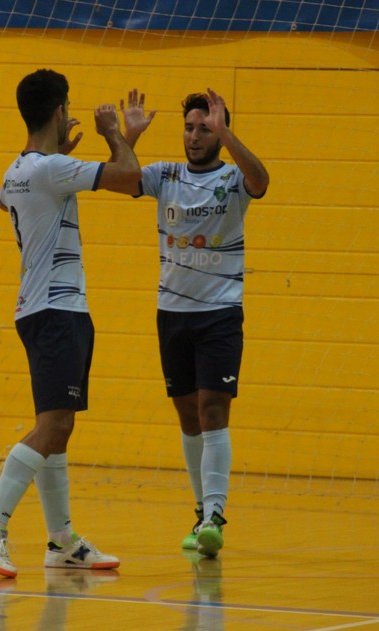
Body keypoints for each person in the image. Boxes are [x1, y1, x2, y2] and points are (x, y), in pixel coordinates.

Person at [0, 69, 142, 578]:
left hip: (43, 309)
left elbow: (3, 199)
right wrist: (117, 134)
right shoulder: (51, 168)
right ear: (60, 110)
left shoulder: (17, 170)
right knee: (54, 425)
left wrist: (67, 156)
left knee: (60, 427)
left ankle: (62, 540)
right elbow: (131, 178)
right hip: (57, 310)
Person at [114, 88, 270, 557]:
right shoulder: (166, 175)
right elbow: (118, 178)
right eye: (189, 128)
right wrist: (128, 137)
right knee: (187, 415)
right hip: (172, 314)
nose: (195, 136)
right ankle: (201, 513)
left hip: (220, 313)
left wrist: (229, 134)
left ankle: (215, 516)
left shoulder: (233, 178)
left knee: (213, 410)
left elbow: (261, 180)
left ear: (219, 133)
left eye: (205, 128)